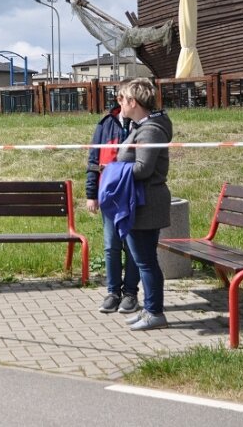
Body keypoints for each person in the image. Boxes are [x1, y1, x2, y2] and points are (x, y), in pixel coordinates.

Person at [115, 78, 173, 331]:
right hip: (139, 201)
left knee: (146, 261)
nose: (120, 104)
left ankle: (155, 313)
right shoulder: (141, 126)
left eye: (123, 100)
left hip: (146, 203)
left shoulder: (150, 130)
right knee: (143, 260)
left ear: (133, 102)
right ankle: (149, 309)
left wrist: (114, 171)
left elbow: (142, 169)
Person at [86, 83, 140, 314]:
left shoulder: (142, 125)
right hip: (109, 196)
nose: (123, 101)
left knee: (133, 247)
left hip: (134, 195)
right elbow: (92, 160)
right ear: (118, 100)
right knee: (111, 247)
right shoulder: (104, 125)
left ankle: (130, 294)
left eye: (126, 97)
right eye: (120, 97)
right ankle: (112, 293)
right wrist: (91, 194)